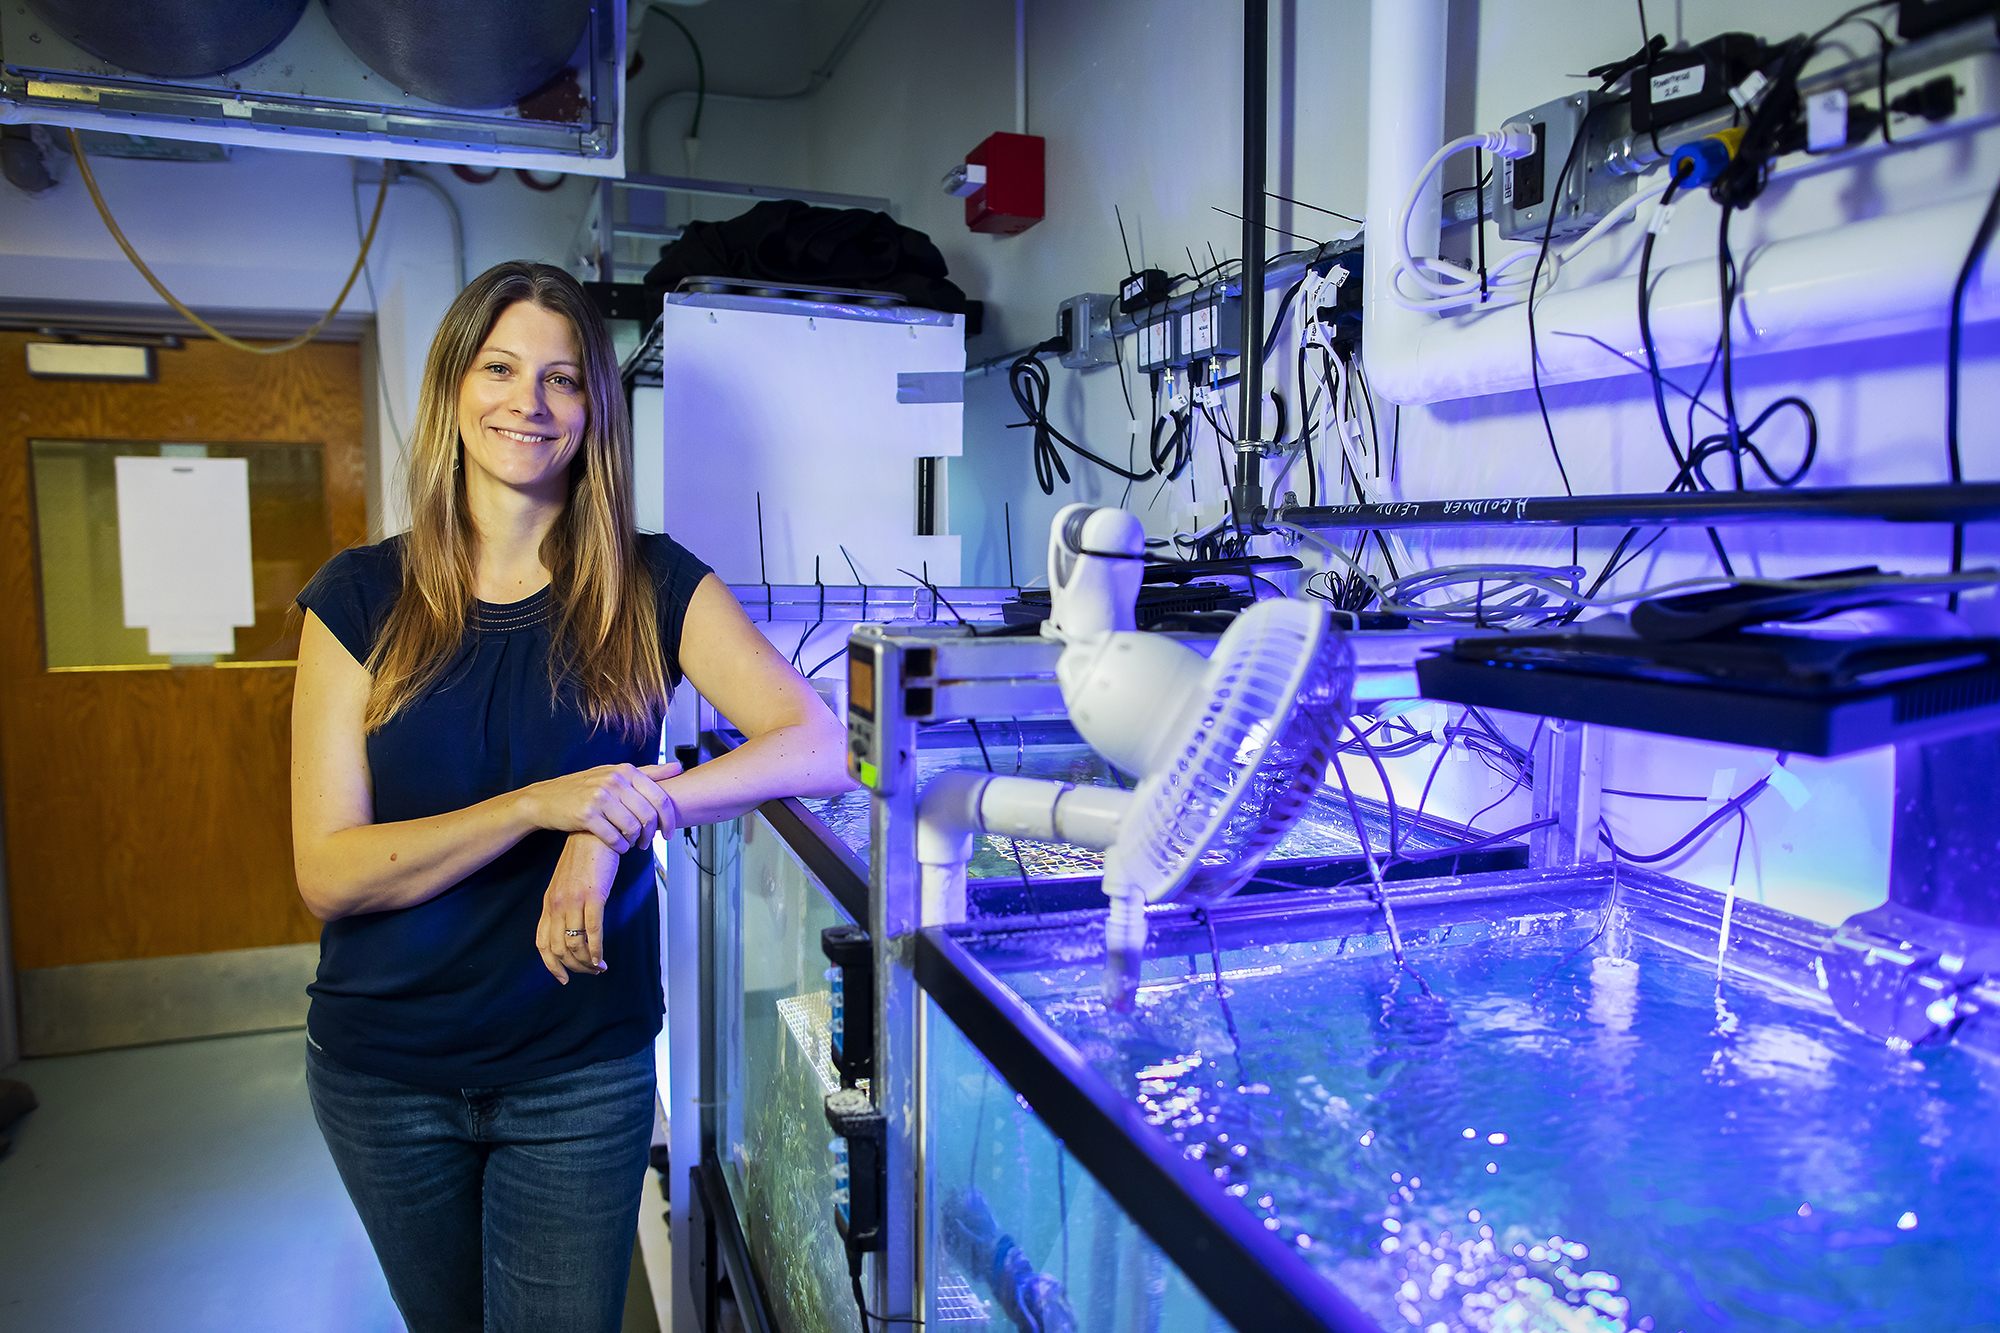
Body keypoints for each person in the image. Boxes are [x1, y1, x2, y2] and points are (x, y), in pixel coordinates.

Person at [290, 260, 851, 1332]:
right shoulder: (356, 598)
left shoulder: (650, 583)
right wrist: (533, 806)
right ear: (453, 391)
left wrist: (624, 812)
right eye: (500, 369)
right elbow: (328, 871)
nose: (528, 404)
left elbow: (818, 743)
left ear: (594, 409)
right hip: (385, 1077)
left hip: (574, 1071)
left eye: (561, 379)